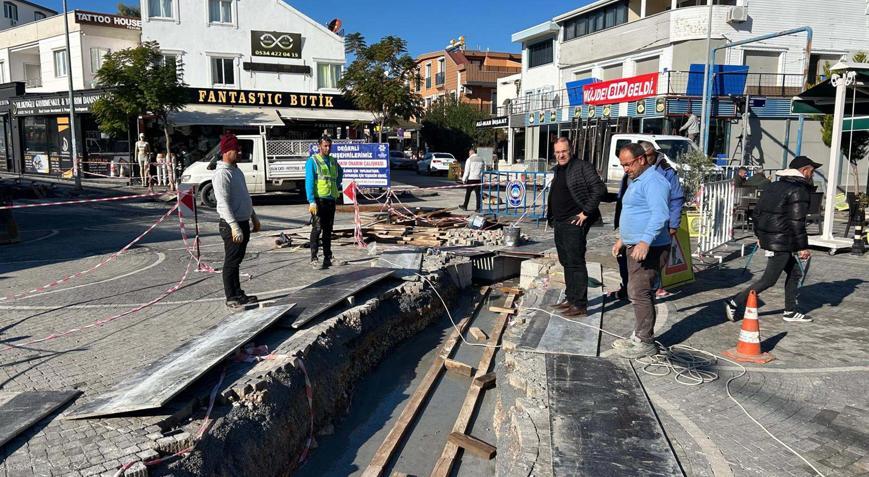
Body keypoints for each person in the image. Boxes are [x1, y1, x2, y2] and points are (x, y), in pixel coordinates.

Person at [724, 156, 820, 323]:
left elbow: (757, 213)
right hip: (782, 241)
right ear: (805, 171)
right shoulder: (800, 190)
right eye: (811, 171)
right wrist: (802, 247)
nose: (812, 175)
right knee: (768, 280)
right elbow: (797, 222)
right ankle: (734, 302)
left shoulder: (773, 185)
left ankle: (790, 311)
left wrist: (760, 236)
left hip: (775, 238)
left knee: (795, 272)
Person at [611, 143, 672, 359]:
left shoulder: (654, 182)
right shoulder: (637, 180)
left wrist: (644, 242)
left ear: (641, 160)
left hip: (651, 248)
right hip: (635, 246)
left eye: (628, 164)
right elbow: (635, 212)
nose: (625, 169)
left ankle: (645, 341)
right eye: (622, 165)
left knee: (639, 292)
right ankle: (640, 335)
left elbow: (659, 215)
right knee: (636, 291)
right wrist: (622, 239)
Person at [548, 137, 607, 317]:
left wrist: (585, 213)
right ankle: (571, 297)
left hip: (574, 222)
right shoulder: (558, 169)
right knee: (566, 262)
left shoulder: (582, 167)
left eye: (563, 151)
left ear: (571, 150)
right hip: (559, 222)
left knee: (576, 263)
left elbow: (599, 189)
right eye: (557, 152)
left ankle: (580, 304)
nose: (561, 155)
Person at [213, 132, 260, 308]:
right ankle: (231, 296)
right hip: (231, 225)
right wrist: (234, 226)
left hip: (242, 221)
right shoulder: (222, 174)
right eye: (236, 150)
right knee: (231, 262)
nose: (239, 153)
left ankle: (238, 292)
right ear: (226, 152)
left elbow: (244, 196)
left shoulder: (236, 171)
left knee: (237, 261)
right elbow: (223, 203)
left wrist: (253, 216)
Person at [639, 141, 685, 299]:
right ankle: (636, 287)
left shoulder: (666, 171)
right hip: (641, 220)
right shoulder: (636, 167)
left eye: (648, 156)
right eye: (642, 156)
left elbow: (676, 199)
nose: (645, 159)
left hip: (660, 221)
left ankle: (655, 287)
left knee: (657, 256)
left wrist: (674, 223)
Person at [305, 135, 342, 270]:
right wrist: (311, 201)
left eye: (329, 145)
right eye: (325, 146)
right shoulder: (313, 161)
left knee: (328, 229)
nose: (328, 148)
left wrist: (336, 186)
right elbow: (309, 181)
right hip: (319, 200)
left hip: (331, 199)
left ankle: (328, 257)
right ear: (319, 146)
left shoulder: (332, 160)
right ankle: (314, 258)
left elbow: (340, 173)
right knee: (317, 228)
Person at [460, 147, 484, 212]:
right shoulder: (481, 159)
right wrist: (481, 177)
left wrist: (464, 179)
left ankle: (465, 206)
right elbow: (483, 170)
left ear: (471, 152)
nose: (469, 154)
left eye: (469, 153)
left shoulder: (469, 159)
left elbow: (467, 171)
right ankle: (478, 208)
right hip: (478, 179)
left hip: (471, 179)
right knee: (478, 194)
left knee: (468, 193)